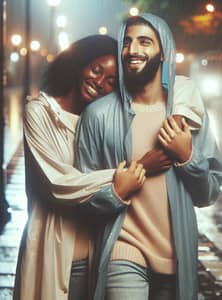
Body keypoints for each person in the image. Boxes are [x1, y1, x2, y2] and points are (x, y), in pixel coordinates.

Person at [76, 14, 222, 300]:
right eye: (127, 42)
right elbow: (81, 196)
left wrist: (187, 156)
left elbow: (207, 194)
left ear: (163, 53)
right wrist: (116, 192)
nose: (133, 50)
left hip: (176, 254)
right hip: (123, 249)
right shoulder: (98, 115)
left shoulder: (187, 117)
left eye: (145, 42)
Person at [13, 35, 147, 300]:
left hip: (99, 253)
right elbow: (57, 182)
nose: (99, 83)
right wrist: (122, 177)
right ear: (79, 64)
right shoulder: (40, 112)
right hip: (52, 247)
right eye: (96, 70)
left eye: (111, 80)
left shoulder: (104, 123)